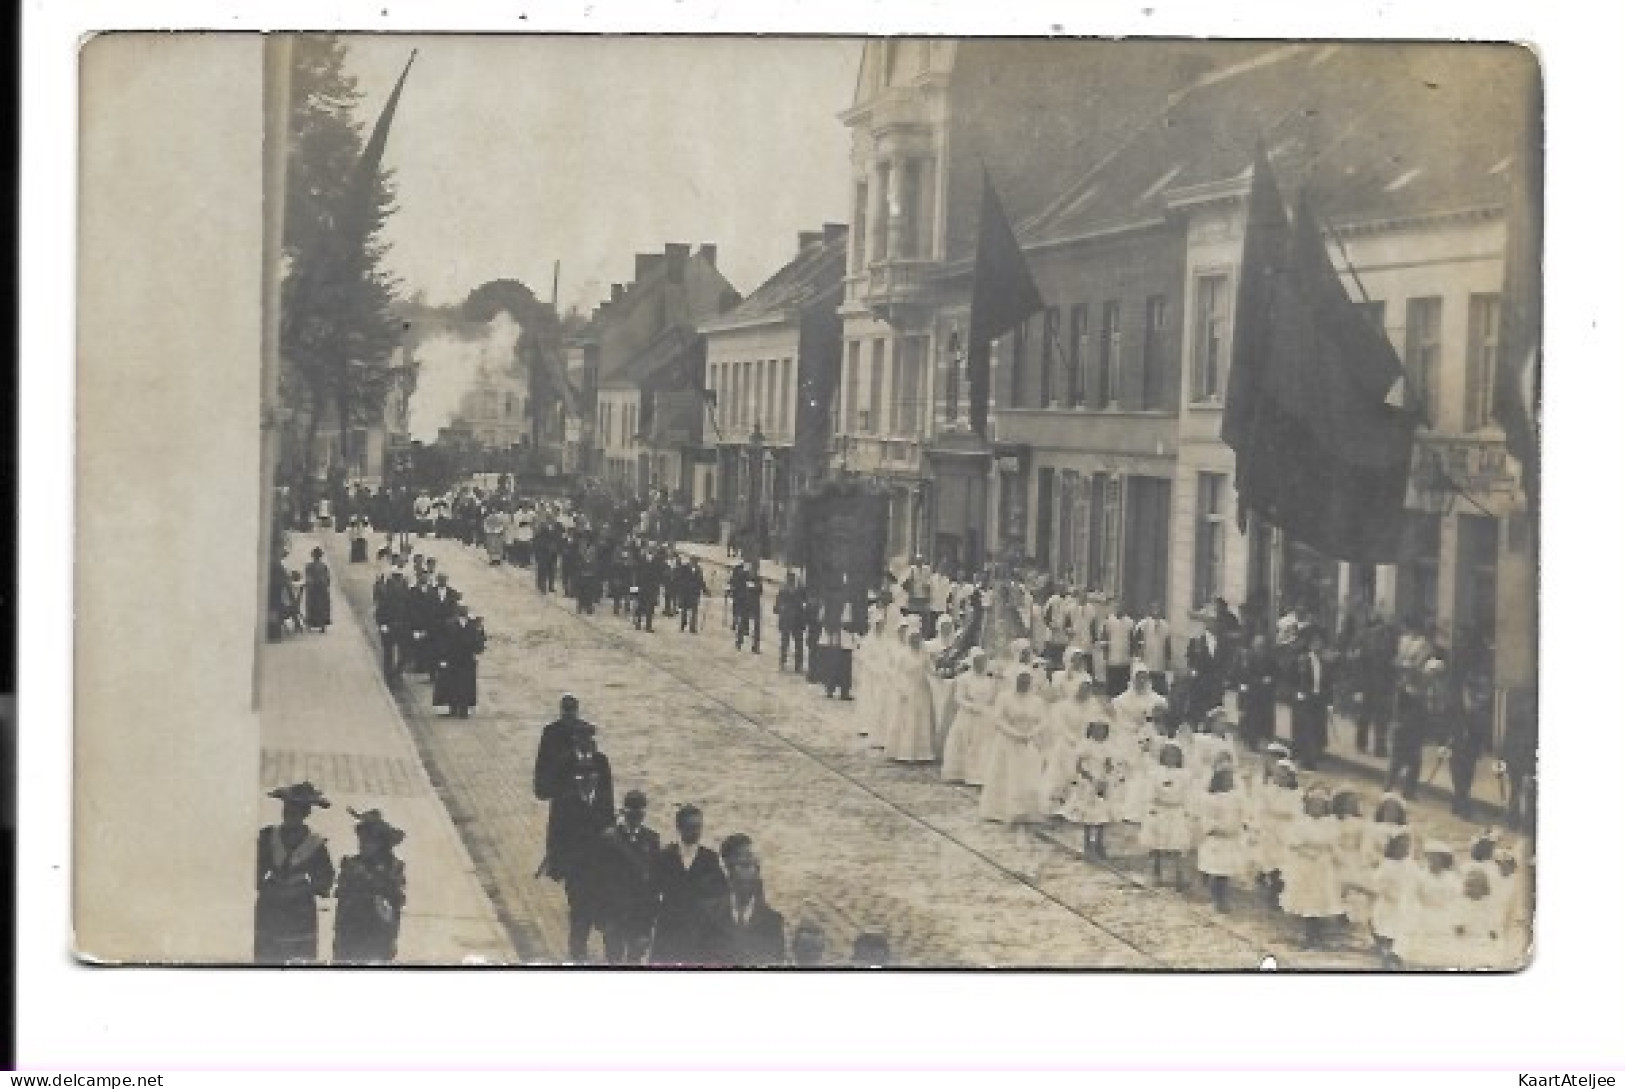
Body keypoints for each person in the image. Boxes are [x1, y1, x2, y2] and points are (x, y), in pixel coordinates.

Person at [542, 752, 616, 962]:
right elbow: (555, 834)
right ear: (576, 781)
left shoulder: (603, 801)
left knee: (601, 910)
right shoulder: (564, 802)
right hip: (577, 871)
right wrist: (558, 866)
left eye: (591, 779)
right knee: (579, 911)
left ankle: (609, 955)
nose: (586, 783)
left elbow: (610, 830)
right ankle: (577, 953)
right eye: (581, 779)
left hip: (600, 869)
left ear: (596, 780)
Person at [255, 782, 336, 964]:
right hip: (271, 903)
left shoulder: (315, 844)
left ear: (305, 814)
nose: (290, 815)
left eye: (295, 812)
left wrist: (305, 889)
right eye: (287, 810)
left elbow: (325, 878)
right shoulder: (269, 836)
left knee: (298, 957)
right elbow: (256, 868)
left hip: (300, 908)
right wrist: (263, 885)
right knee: (267, 956)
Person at [650, 805, 727, 966]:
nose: (696, 832)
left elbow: (721, 895)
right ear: (679, 827)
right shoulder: (665, 856)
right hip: (669, 929)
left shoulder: (710, 858)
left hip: (699, 932)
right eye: (690, 827)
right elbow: (651, 892)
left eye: (699, 826)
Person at [332, 808, 408, 964]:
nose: (363, 844)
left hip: (378, 934)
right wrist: (338, 934)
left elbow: (396, 905)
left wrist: (393, 937)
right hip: (351, 932)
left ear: (381, 844)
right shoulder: (351, 865)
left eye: (369, 841)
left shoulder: (393, 868)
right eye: (361, 840)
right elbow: (341, 900)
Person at [595, 790, 662, 966]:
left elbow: (654, 886)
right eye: (632, 811)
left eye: (639, 812)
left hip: (639, 916)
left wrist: (648, 926)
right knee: (614, 960)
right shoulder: (608, 839)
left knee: (635, 961)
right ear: (624, 812)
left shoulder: (652, 839)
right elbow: (599, 882)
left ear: (644, 813)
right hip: (614, 913)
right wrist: (602, 918)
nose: (636, 816)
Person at [979, 668, 1052, 824]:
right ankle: (1003, 809)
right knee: (1008, 773)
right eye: (1021, 679)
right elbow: (997, 719)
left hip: (1028, 742)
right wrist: (1015, 733)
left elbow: (1044, 720)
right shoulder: (1004, 697)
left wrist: (1031, 733)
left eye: (1027, 680)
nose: (1024, 683)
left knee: (1029, 774)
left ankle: (1027, 810)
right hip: (1007, 741)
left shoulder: (1037, 701)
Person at [703, 833, 787, 967]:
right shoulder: (709, 911)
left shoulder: (772, 921)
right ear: (728, 867)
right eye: (743, 861)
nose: (748, 865)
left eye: (750, 862)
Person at [1280, 787, 1345, 948]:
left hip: (1322, 866)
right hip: (1306, 866)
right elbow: (1293, 843)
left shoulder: (1330, 823)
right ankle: (1309, 934)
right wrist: (1307, 851)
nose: (1317, 809)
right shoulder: (1301, 822)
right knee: (1308, 900)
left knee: (1320, 899)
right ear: (1307, 806)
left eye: (1320, 806)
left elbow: (1332, 843)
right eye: (1313, 805)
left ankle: (1317, 933)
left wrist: (1334, 857)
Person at [1196, 764, 1250, 911]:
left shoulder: (1236, 798)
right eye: (1226, 779)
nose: (1229, 782)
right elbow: (1207, 818)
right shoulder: (1210, 799)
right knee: (1216, 871)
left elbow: (1244, 812)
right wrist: (1215, 829)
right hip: (1217, 839)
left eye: (1231, 779)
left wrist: (1244, 824)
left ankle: (1222, 898)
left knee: (1225, 872)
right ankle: (1217, 899)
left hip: (1231, 839)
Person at [1140, 743, 1193, 888]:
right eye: (1168, 756)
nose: (1171, 759)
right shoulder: (1155, 773)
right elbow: (1149, 791)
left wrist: (1188, 811)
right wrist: (1151, 807)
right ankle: (1156, 872)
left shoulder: (1185, 774)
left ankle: (1179, 875)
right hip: (1160, 809)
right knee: (1157, 843)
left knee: (1177, 844)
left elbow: (1188, 794)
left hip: (1176, 811)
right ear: (1162, 757)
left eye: (1175, 756)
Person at [883, 631, 938, 764]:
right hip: (907, 690)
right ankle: (904, 751)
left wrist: (939, 671)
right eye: (913, 639)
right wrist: (901, 689)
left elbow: (931, 670)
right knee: (907, 720)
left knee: (922, 718)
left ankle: (922, 753)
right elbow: (895, 674)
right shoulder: (902, 655)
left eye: (918, 639)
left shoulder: (924, 654)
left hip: (922, 689)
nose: (916, 642)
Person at [941, 648, 995, 785]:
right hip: (967, 715)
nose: (980, 664)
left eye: (983, 661)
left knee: (983, 744)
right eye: (977, 661)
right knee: (966, 742)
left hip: (984, 716)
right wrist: (971, 706)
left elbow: (992, 698)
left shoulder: (989, 680)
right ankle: (961, 771)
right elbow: (958, 698)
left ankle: (979, 773)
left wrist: (988, 708)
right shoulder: (964, 679)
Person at [1449, 669, 1493, 819]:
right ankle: (1463, 807)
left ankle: (1458, 804)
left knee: (1467, 777)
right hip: (1457, 746)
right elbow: (1449, 724)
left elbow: (1480, 732)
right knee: (1459, 777)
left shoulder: (1478, 711)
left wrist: (1480, 748)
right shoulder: (1457, 706)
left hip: (1470, 749)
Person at [533, 695, 593, 802]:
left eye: (571, 710)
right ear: (561, 711)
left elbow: (591, 757)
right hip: (559, 785)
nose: (568, 713)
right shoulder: (551, 731)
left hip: (579, 786)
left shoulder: (584, 729)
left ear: (576, 711)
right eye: (566, 709)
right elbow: (543, 760)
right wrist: (541, 787)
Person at [1290, 627, 1333, 771]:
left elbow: (1327, 683)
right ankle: (1307, 761)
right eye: (1315, 643)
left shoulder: (1324, 662)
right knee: (1306, 729)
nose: (1318, 645)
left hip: (1318, 699)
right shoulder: (1304, 659)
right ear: (1310, 645)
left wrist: (1329, 702)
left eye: (1320, 643)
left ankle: (1312, 755)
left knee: (1317, 728)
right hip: (1305, 699)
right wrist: (1299, 693)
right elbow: (1299, 679)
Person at [1354, 614, 1398, 756]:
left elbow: (1361, 664)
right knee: (1377, 717)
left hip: (1373, 684)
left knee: (1370, 715)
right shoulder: (1381, 641)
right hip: (1375, 684)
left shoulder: (1367, 639)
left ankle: (1365, 744)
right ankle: (1376, 746)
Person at [433, 605, 486, 719]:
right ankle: (453, 708)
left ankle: (463, 710)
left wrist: (480, 632)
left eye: (464, 617)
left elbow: (479, 644)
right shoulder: (449, 625)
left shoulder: (473, 627)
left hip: (467, 660)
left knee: (466, 686)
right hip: (453, 659)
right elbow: (443, 643)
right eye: (461, 617)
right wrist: (442, 659)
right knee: (452, 685)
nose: (463, 620)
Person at [1235, 634, 1277, 752]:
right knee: (1251, 718)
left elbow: (1276, 673)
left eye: (1262, 645)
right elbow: (1244, 676)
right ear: (1253, 645)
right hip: (1252, 694)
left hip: (1265, 695)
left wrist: (1271, 680)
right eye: (1258, 645)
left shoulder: (1270, 658)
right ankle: (1251, 742)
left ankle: (1263, 741)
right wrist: (1260, 681)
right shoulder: (1248, 658)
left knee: (1264, 720)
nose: (1260, 647)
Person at [1185, 610, 1227, 725]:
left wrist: (1224, 677)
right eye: (1211, 621)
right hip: (1200, 681)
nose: (1214, 624)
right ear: (1206, 623)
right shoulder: (1198, 640)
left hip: (1216, 683)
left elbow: (1226, 660)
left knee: (1214, 712)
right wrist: (1193, 671)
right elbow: (1190, 657)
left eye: (1216, 621)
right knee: (1197, 711)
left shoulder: (1223, 641)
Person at [1133, 603, 1174, 695]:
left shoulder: (1166, 626)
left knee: (1159, 687)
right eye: (1154, 608)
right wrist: (1138, 655)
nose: (1156, 611)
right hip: (1146, 660)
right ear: (1150, 610)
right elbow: (1137, 641)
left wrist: (1168, 660)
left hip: (1160, 662)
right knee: (1146, 685)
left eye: (1158, 609)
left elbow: (1168, 645)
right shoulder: (1143, 624)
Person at [1098, 602, 1136, 696]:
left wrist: (1132, 655)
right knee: (1112, 683)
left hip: (1125, 658)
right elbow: (1104, 638)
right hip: (1112, 658)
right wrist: (1105, 654)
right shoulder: (1108, 621)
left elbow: (1132, 640)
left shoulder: (1130, 622)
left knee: (1124, 683)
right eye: (1117, 607)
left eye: (1121, 607)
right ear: (1113, 608)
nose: (1119, 609)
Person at [774, 572, 809, 673]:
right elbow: (776, 607)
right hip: (787, 621)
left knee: (798, 644)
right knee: (785, 642)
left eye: (793, 581)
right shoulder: (783, 591)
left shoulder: (801, 591)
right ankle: (783, 661)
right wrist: (781, 608)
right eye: (790, 580)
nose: (791, 583)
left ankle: (798, 665)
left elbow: (806, 604)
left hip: (797, 621)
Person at [733, 562, 764, 654]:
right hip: (745, 603)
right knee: (743, 623)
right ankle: (739, 642)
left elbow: (760, 591)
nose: (754, 572)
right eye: (752, 570)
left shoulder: (758, 579)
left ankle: (755, 646)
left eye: (755, 570)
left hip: (755, 605)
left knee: (757, 626)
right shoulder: (744, 576)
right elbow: (739, 588)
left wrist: (755, 587)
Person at [302, 547, 333, 633]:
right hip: (322, 589)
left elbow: (309, 578)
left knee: (312, 606)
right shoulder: (323, 566)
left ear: (313, 556)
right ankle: (322, 625)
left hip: (314, 589)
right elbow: (328, 579)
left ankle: (310, 624)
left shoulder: (309, 566)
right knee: (322, 607)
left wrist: (309, 584)